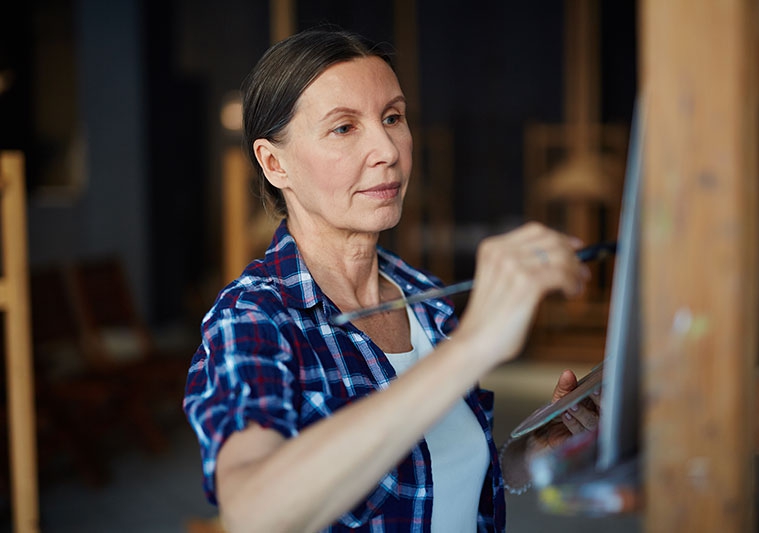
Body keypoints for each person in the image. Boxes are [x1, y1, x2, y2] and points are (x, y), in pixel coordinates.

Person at [184, 27, 598, 533]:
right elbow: (252, 512)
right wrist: (471, 346)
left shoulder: (424, 296)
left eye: (393, 117)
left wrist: (535, 447)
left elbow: (436, 476)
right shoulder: (252, 319)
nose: (387, 149)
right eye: (343, 128)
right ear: (275, 164)